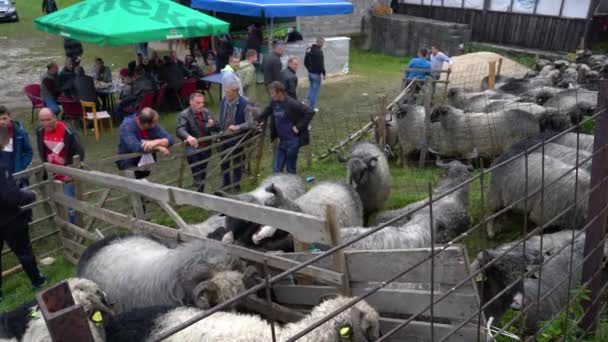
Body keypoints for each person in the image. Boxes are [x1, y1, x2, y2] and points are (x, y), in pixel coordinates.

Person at [0, 126, 47, 302]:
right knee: (23, 250)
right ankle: (38, 280)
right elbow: (10, 195)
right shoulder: (1, 163)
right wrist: (30, 195)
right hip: (9, 218)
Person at [36, 108, 85, 224]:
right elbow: (41, 148)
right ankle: (64, 225)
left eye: (48, 119)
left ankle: (74, 229)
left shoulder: (68, 131)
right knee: (57, 201)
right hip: (52, 173)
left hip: (68, 173)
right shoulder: (40, 131)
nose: (46, 123)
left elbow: (80, 153)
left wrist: (70, 168)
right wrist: (46, 160)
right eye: (42, 120)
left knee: (69, 202)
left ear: (55, 118)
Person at [258, 81, 314, 174]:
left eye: (272, 93)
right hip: (282, 142)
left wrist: (298, 127)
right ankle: (278, 188)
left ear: (280, 92)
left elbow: (309, 112)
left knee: (290, 170)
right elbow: (266, 112)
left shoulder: (292, 103)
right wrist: (257, 120)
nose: (271, 96)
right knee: (277, 169)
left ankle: (292, 187)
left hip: (292, 142)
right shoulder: (274, 103)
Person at [176, 93, 220, 192]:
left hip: (207, 147)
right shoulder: (184, 115)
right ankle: (199, 192)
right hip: (193, 149)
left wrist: (212, 125)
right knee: (197, 172)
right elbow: (179, 130)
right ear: (191, 102)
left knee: (203, 170)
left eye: (202, 102)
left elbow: (218, 126)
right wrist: (188, 136)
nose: (201, 105)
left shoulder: (206, 112)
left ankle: (200, 192)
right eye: (198, 102)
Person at [116, 108, 174, 180]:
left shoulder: (152, 125)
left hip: (146, 161)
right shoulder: (127, 126)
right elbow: (136, 147)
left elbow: (170, 139)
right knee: (137, 186)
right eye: (154, 123)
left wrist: (155, 142)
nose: (155, 125)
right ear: (146, 124)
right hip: (129, 161)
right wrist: (158, 147)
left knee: (145, 183)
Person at [218, 79, 254, 192]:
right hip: (224, 135)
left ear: (236, 91)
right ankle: (226, 182)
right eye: (225, 92)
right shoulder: (224, 100)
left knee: (236, 162)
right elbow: (222, 117)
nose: (226, 94)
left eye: (228, 92)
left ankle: (236, 185)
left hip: (237, 137)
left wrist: (237, 127)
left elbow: (250, 123)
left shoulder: (245, 104)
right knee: (224, 161)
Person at [0, 106, 33, 188]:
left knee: (22, 196)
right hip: (2, 175)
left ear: (10, 117)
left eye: (4, 118)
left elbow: (29, 152)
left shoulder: (20, 133)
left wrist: (21, 168)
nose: (1, 122)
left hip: (18, 174)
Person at [304, 37, 326, 112]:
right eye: (323, 43)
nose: (323, 45)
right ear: (321, 43)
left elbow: (305, 61)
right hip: (316, 75)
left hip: (310, 73)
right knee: (315, 92)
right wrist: (324, 73)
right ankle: (311, 108)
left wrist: (309, 69)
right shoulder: (319, 52)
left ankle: (304, 101)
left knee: (311, 88)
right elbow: (321, 64)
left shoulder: (309, 49)